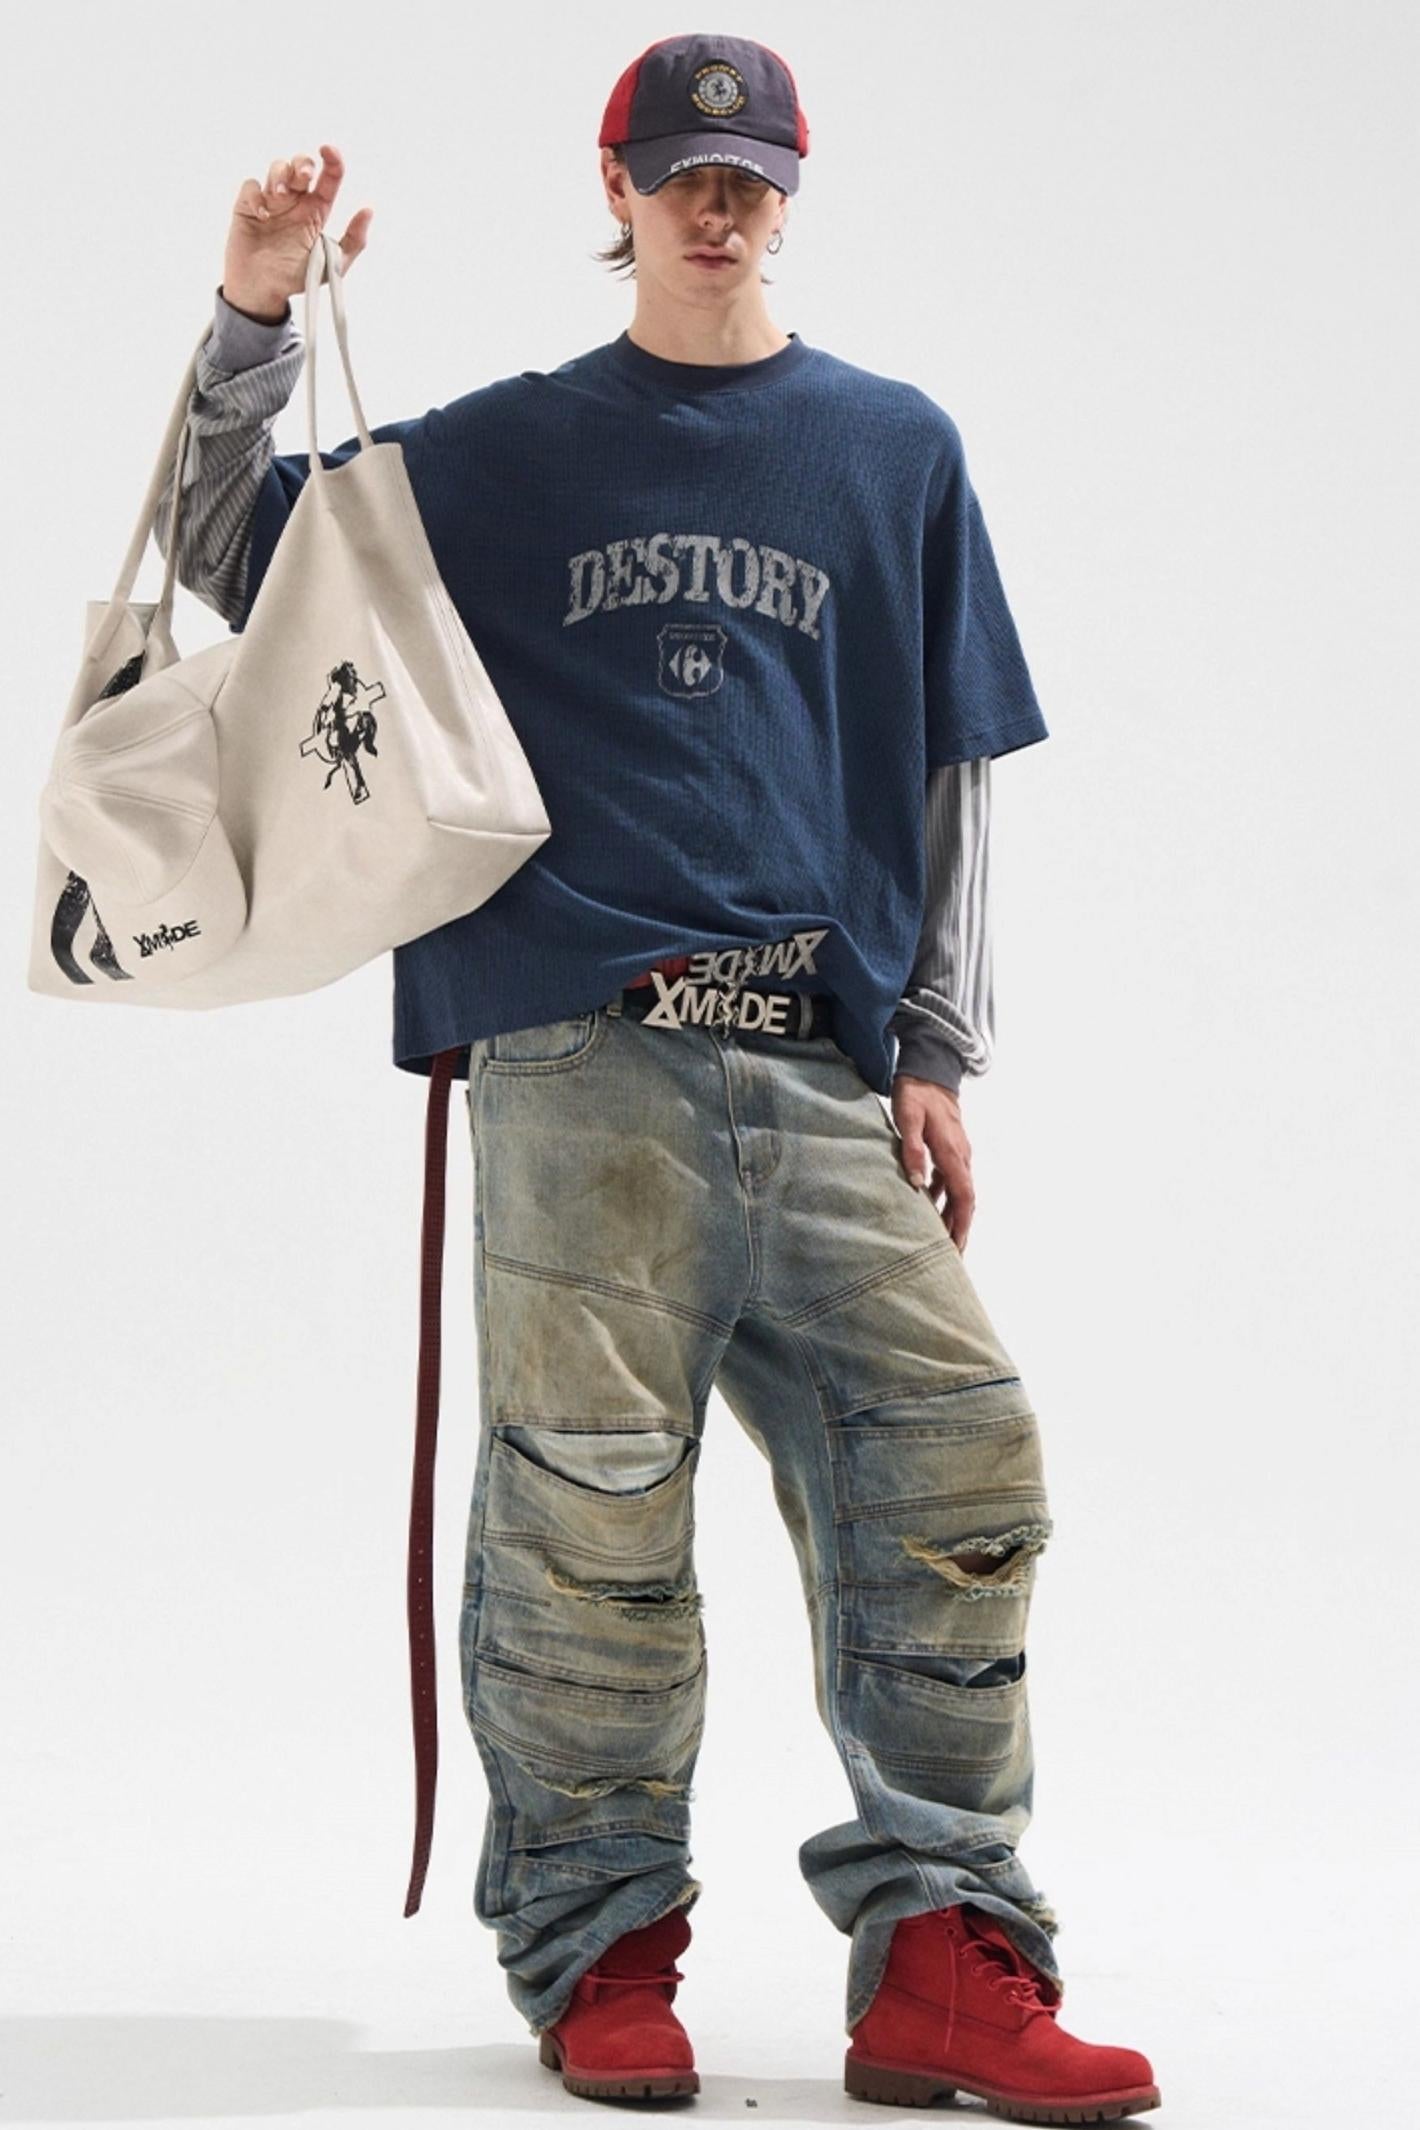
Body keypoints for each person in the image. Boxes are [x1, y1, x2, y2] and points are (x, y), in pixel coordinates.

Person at [154, 32, 1161, 2120]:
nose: (719, 204)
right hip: (580, 1056)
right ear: (612, 187)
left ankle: (943, 1958)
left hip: (818, 1062)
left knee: (958, 1467)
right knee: (587, 1515)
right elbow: (234, 545)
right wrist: (255, 307)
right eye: (683, 171)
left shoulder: (889, 448)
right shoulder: (509, 451)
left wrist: (933, 1049)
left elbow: (946, 767)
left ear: (793, 189)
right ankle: (601, 1947)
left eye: (750, 173)